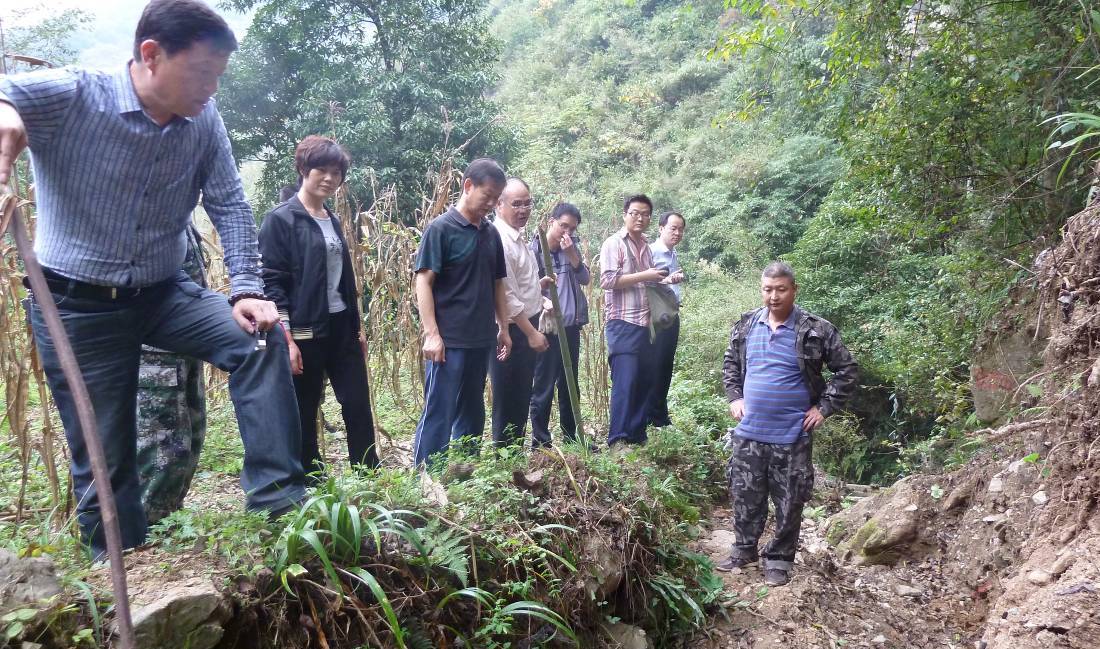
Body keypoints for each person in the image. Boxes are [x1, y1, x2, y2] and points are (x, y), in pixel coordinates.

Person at [0, 0, 305, 558]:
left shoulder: (204, 120)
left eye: (219, 74)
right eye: (203, 72)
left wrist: (247, 290)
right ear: (151, 54)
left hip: (165, 292)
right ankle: (120, 566)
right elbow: (8, 97)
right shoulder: (76, 93)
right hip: (77, 306)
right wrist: (7, 121)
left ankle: (280, 509)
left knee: (260, 341)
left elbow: (230, 205)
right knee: (104, 453)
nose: (213, 87)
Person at [718, 262, 858, 586]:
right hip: (749, 432)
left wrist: (824, 408)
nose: (774, 296)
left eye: (781, 289)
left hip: (792, 434)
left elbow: (847, 370)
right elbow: (730, 363)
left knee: (790, 499)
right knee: (745, 494)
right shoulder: (746, 325)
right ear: (761, 290)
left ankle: (779, 560)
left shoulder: (816, 330)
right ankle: (743, 550)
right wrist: (735, 397)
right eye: (768, 289)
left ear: (794, 290)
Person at [258, 135, 379, 480]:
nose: (329, 178)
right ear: (303, 169)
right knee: (305, 406)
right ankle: (311, 480)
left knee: (356, 402)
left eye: (336, 172)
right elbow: (271, 282)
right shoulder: (281, 219)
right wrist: (286, 339)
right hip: (304, 329)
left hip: (341, 326)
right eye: (321, 170)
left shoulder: (331, 218)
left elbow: (343, 279)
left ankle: (369, 475)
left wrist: (357, 327)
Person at [412, 158, 512, 468]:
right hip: (448, 340)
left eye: (497, 198)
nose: (492, 204)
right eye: (488, 195)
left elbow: (498, 284)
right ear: (468, 186)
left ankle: (466, 474)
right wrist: (432, 334)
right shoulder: (441, 229)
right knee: (439, 410)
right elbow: (423, 282)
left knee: (472, 410)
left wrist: (504, 327)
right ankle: (426, 475)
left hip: (481, 338)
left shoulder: (491, 234)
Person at [135, 224, 208, 524]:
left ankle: (170, 516)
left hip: (187, 342)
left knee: (190, 433)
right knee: (162, 442)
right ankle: (148, 524)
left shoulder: (182, 218)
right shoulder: (147, 212)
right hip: (155, 347)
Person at [598, 194, 668, 449]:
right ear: (625, 214)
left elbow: (648, 281)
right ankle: (617, 438)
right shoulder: (613, 243)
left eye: (645, 214)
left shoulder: (646, 246)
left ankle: (637, 436)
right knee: (625, 381)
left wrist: (664, 279)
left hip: (645, 322)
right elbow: (607, 280)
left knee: (644, 379)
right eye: (635, 213)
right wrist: (644, 274)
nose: (640, 218)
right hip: (622, 322)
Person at [489, 178, 549, 448]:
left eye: (527, 203)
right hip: (512, 330)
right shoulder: (501, 239)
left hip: (525, 324)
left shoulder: (517, 236)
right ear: (499, 205)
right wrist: (531, 333)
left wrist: (538, 286)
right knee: (509, 396)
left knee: (521, 393)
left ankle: (512, 454)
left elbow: (519, 284)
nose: (523, 210)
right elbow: (506, 296)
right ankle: (504, 456)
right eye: (516, 204)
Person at [529, 202, 590, 446]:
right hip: (547, 327)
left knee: (569, 383)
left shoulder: (571, 248)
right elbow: (525, 289)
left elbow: (585, 278)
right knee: (543, 385)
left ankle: (572, 437)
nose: (567, 232)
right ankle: (540, 442)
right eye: (563, 226)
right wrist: (542, 300)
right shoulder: (534, 250)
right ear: (551, 222)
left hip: (571, 325)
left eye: (572, 229)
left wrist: (573, 256)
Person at [645, 211, 686, 428]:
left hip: (671, 315)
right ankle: (653, 417)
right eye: (673, 228)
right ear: (661, 228)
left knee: (666, 366)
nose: (677, 233)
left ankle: (660, 414)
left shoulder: (672, 253)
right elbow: (643, 283)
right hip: (656, 318)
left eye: (680, 229)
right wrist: (667, 280)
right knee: (656, 365)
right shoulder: (651, 251)